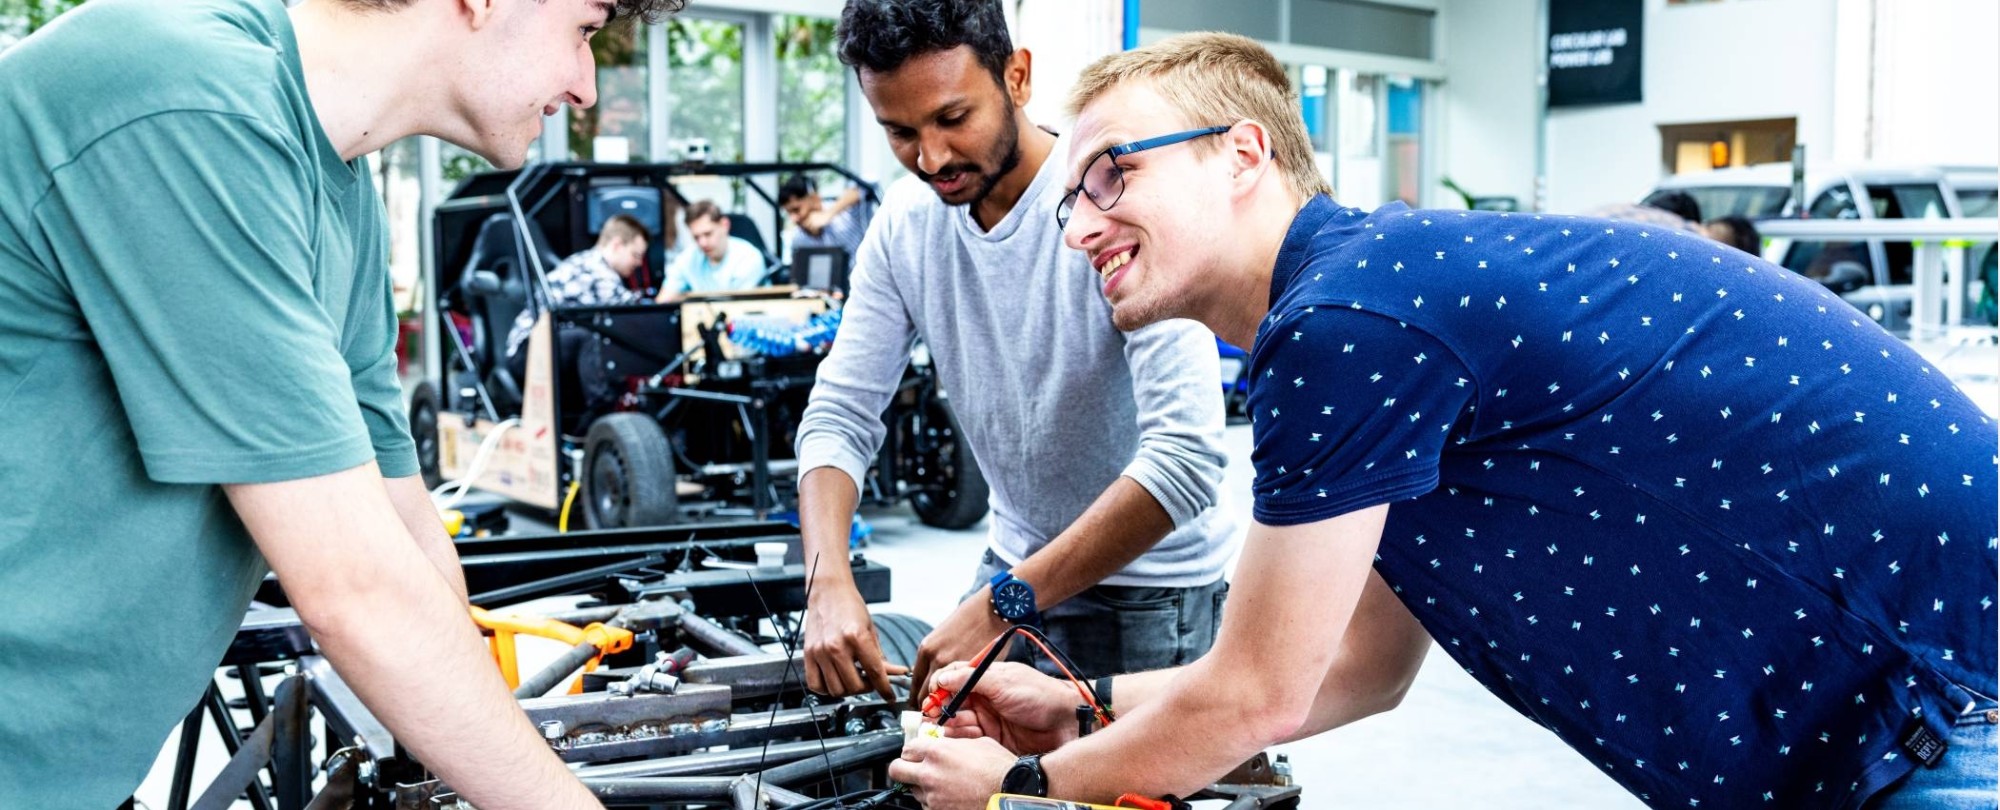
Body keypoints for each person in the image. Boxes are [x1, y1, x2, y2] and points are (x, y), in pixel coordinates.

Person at [888, 32, 1997, 810]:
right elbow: (1355, 666)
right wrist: (1080, 711)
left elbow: (1257, 697)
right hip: (1889, 723)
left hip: (1936, 707)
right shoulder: (1389, 311)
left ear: (1241, 157)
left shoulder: (1348, 322)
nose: (1079, 226)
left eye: (1109, 177)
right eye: (1072, 197)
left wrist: (1014, 788)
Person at [0, 0, 681, 807]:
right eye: (585, 30)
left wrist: (482, 743)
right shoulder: (184, 96)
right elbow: (355, 591)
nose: (586, 88)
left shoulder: (337, 186)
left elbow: (404, 539)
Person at [795, 0, 1236, 703]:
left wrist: (1001, 603)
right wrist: (826, 581)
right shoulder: (904, 228)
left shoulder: (1116, 203)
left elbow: (1185, 461)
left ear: (1018, 76)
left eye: (951, 118)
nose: (930, 158)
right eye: (899, 132)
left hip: (1148, 595)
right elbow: (840, 415)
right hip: (1014, 561)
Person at [504, 213, 651, 418]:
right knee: (593, 337)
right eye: (635, 255)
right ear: (617, 245)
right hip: (527, 351)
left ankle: (589, 427)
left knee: (603, 342)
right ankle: (602, 408)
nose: (638, 263)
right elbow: (626, 309)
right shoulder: (594, 269)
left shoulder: (593, 266)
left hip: (554, 346)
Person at [657, 199, 769, 301]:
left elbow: (739, 309)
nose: (702, 243)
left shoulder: (748, 258)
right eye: (696, 237)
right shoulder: (687, 258)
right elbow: (664, 300)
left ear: (725, 225)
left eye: (708, 234)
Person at [779, 173, 876, 257]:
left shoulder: (847, 214)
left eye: (796, 210)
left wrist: (828, 215)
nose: (793, 219)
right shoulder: (799, 239)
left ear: (814, 199)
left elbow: (870, 180)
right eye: (789, 213)